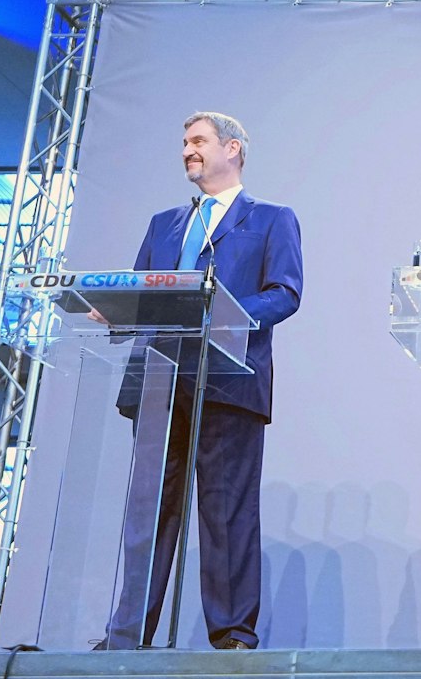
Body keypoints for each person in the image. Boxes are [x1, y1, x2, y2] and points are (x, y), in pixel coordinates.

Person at [105, 111, 303, 650]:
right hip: (158, 380)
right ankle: (128, 634)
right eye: (184, 142)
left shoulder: (271, 219)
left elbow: (285, 293)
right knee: (148, 511)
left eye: (198, 141)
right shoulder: (163, 224)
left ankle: (232, 634)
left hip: (229, 381)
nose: (186, 150)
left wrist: (224, 315)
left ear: (232, 149)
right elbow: (140, 291)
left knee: (226, 511)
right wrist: (115, 308)